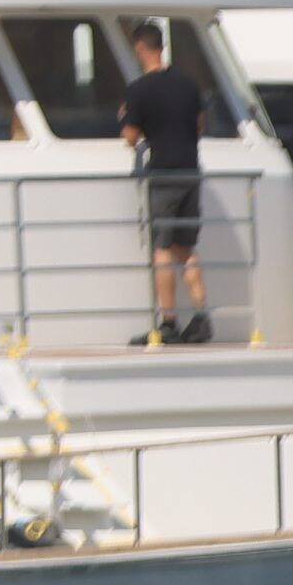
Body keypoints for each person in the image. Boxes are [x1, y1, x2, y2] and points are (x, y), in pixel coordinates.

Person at [118, 20, 214, 347]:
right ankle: (201, 318)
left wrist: (129, 118)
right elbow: (199, 125)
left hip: (164, 175)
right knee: (186, 249)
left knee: (162, 248)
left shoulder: (139, 90)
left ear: (141, 49)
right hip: (191, 172)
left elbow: (130, 138)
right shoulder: (188, 85)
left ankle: (169, 321)